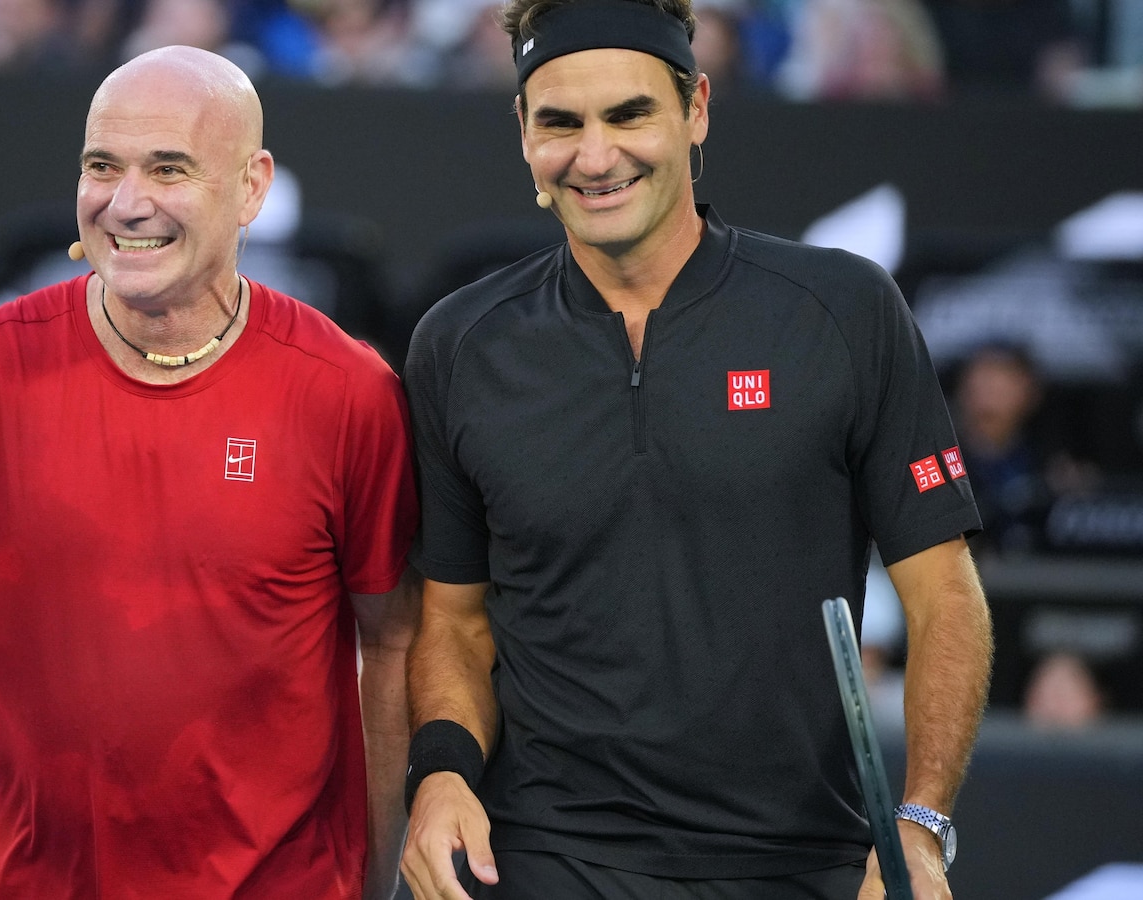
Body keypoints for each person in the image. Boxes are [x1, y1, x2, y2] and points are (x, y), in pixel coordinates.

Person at [0, 45, 419, 899]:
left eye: (168, 168)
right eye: (101, 166)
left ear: (252, 188)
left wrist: (376, 880)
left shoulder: (347, 392)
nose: (127, 202)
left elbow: (392, 639)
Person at [397, 1, 993, 898]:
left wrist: (920, 823)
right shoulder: (460, 344)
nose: (595, 158)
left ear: (697, 109)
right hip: (545, 857)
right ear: (522, 132)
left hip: (804, 863)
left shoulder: (843, 311)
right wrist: (439, 774)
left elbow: (945, 597)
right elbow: (453, 620)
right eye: (561, 122)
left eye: (629, 114)